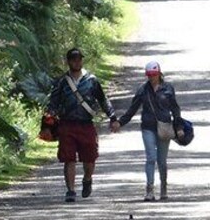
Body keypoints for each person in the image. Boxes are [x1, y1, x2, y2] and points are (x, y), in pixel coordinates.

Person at [45, 48, 119, 202]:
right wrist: (48, 122)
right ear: (68, 61)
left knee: (90, 158)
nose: (76, 62)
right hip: (67, 124)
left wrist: (112, 116)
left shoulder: (91, 80)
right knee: (68, 158)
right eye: (73, 59)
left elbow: (102, 99)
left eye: (79, 59)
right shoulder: (61, 82)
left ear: (82, 60)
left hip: (86, 124)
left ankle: (87, 179)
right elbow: (53, 103)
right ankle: (71, 190)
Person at [117, 62, 185, 201]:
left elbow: (175, 110)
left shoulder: (168, 89)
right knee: (151, 158)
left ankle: (164, 188)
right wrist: (120, 122)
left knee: (162, 161)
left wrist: (179, 128)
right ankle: (149, 190)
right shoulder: (143, 90)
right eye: (149, 75)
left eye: (154, 75)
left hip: (164, 128)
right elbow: (132, 109)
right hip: (148, 128)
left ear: (159, 74)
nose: (151, 78)